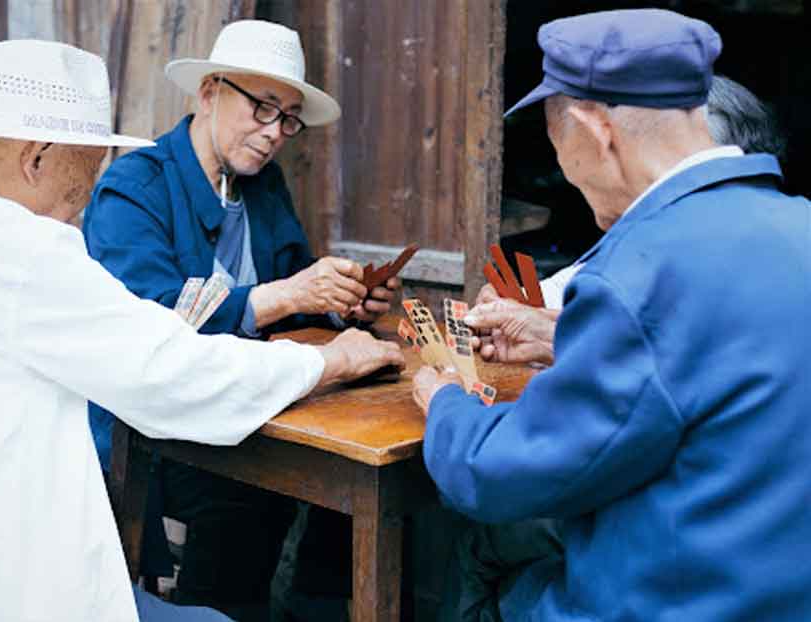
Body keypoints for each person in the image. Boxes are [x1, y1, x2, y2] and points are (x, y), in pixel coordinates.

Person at [0, 39, 403, 622]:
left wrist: (335, 307)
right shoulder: (30, 245)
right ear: (37, 157)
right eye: (85, 173)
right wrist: (332, 362)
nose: (80, 204)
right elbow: (168, 368)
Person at [413, 9, 811, 622]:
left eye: (555, 145)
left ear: (593, 130)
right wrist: (561, 338)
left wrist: (442, 399)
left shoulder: (638, 271)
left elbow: (499, 474)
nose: (565, 173)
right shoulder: (799, 226)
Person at [82, 20, 394, 618]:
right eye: (262, 109)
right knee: (241, 506)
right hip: (164, 427)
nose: (275, 133)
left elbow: (295, 277)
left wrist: (341, 299)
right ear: (208, 93)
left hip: (258, 406)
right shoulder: (134, 186)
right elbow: (154, 319)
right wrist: (285, 295)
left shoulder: (261, 184)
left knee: (349, 495)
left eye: (289, 119)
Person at [470, 74, 789, 367]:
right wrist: (529, 308)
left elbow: (669, 371)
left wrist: (449, 405)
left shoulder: (713, 244)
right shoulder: (660, 235)